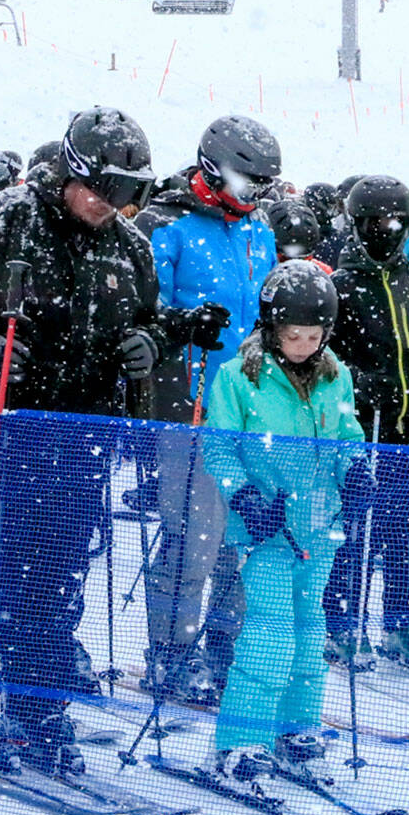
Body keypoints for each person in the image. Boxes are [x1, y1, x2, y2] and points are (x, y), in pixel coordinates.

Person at [0, 105, 179, 776]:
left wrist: (149, 342)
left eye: (127, 195)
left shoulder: (131, 246)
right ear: (71, 172)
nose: (110, 206)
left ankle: (37, 709)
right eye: (102, 190)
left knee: (55, 584)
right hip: (3, 432)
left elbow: (151, 317)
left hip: (81, 440)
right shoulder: (6, 221)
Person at [134, 117, 278, 705]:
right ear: (216, 167)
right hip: (188, 402)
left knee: (243, 535)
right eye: (250, 181)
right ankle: (172, 651)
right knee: (193, 536)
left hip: (248, 406)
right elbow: (146, 311)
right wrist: (182, 329)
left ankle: (226, 645)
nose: (257, 195)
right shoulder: (166, 226)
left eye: (266, 184)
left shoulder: (258, 232)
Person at [202, 262, 362, 780]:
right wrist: (245, 495)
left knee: (309, 630)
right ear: (272, 329)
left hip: (319, 526)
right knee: (270, 633)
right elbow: (219, 445)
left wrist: (357, 471)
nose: (304, 346)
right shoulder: (238, 377)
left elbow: (347, 436)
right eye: (293, 335)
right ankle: (242, 739)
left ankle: (296, 723)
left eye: (314, 336)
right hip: (266, 530)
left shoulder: (334, 374)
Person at [324, 175, 409, 673]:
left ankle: (404, 619)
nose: (386, 230)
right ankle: (342, 621)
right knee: (357, 529)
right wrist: (360, 382)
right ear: (357, 227)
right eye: (375, 222)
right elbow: (325, 357)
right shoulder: (341, 286)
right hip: (364, 431)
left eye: (395, 221)